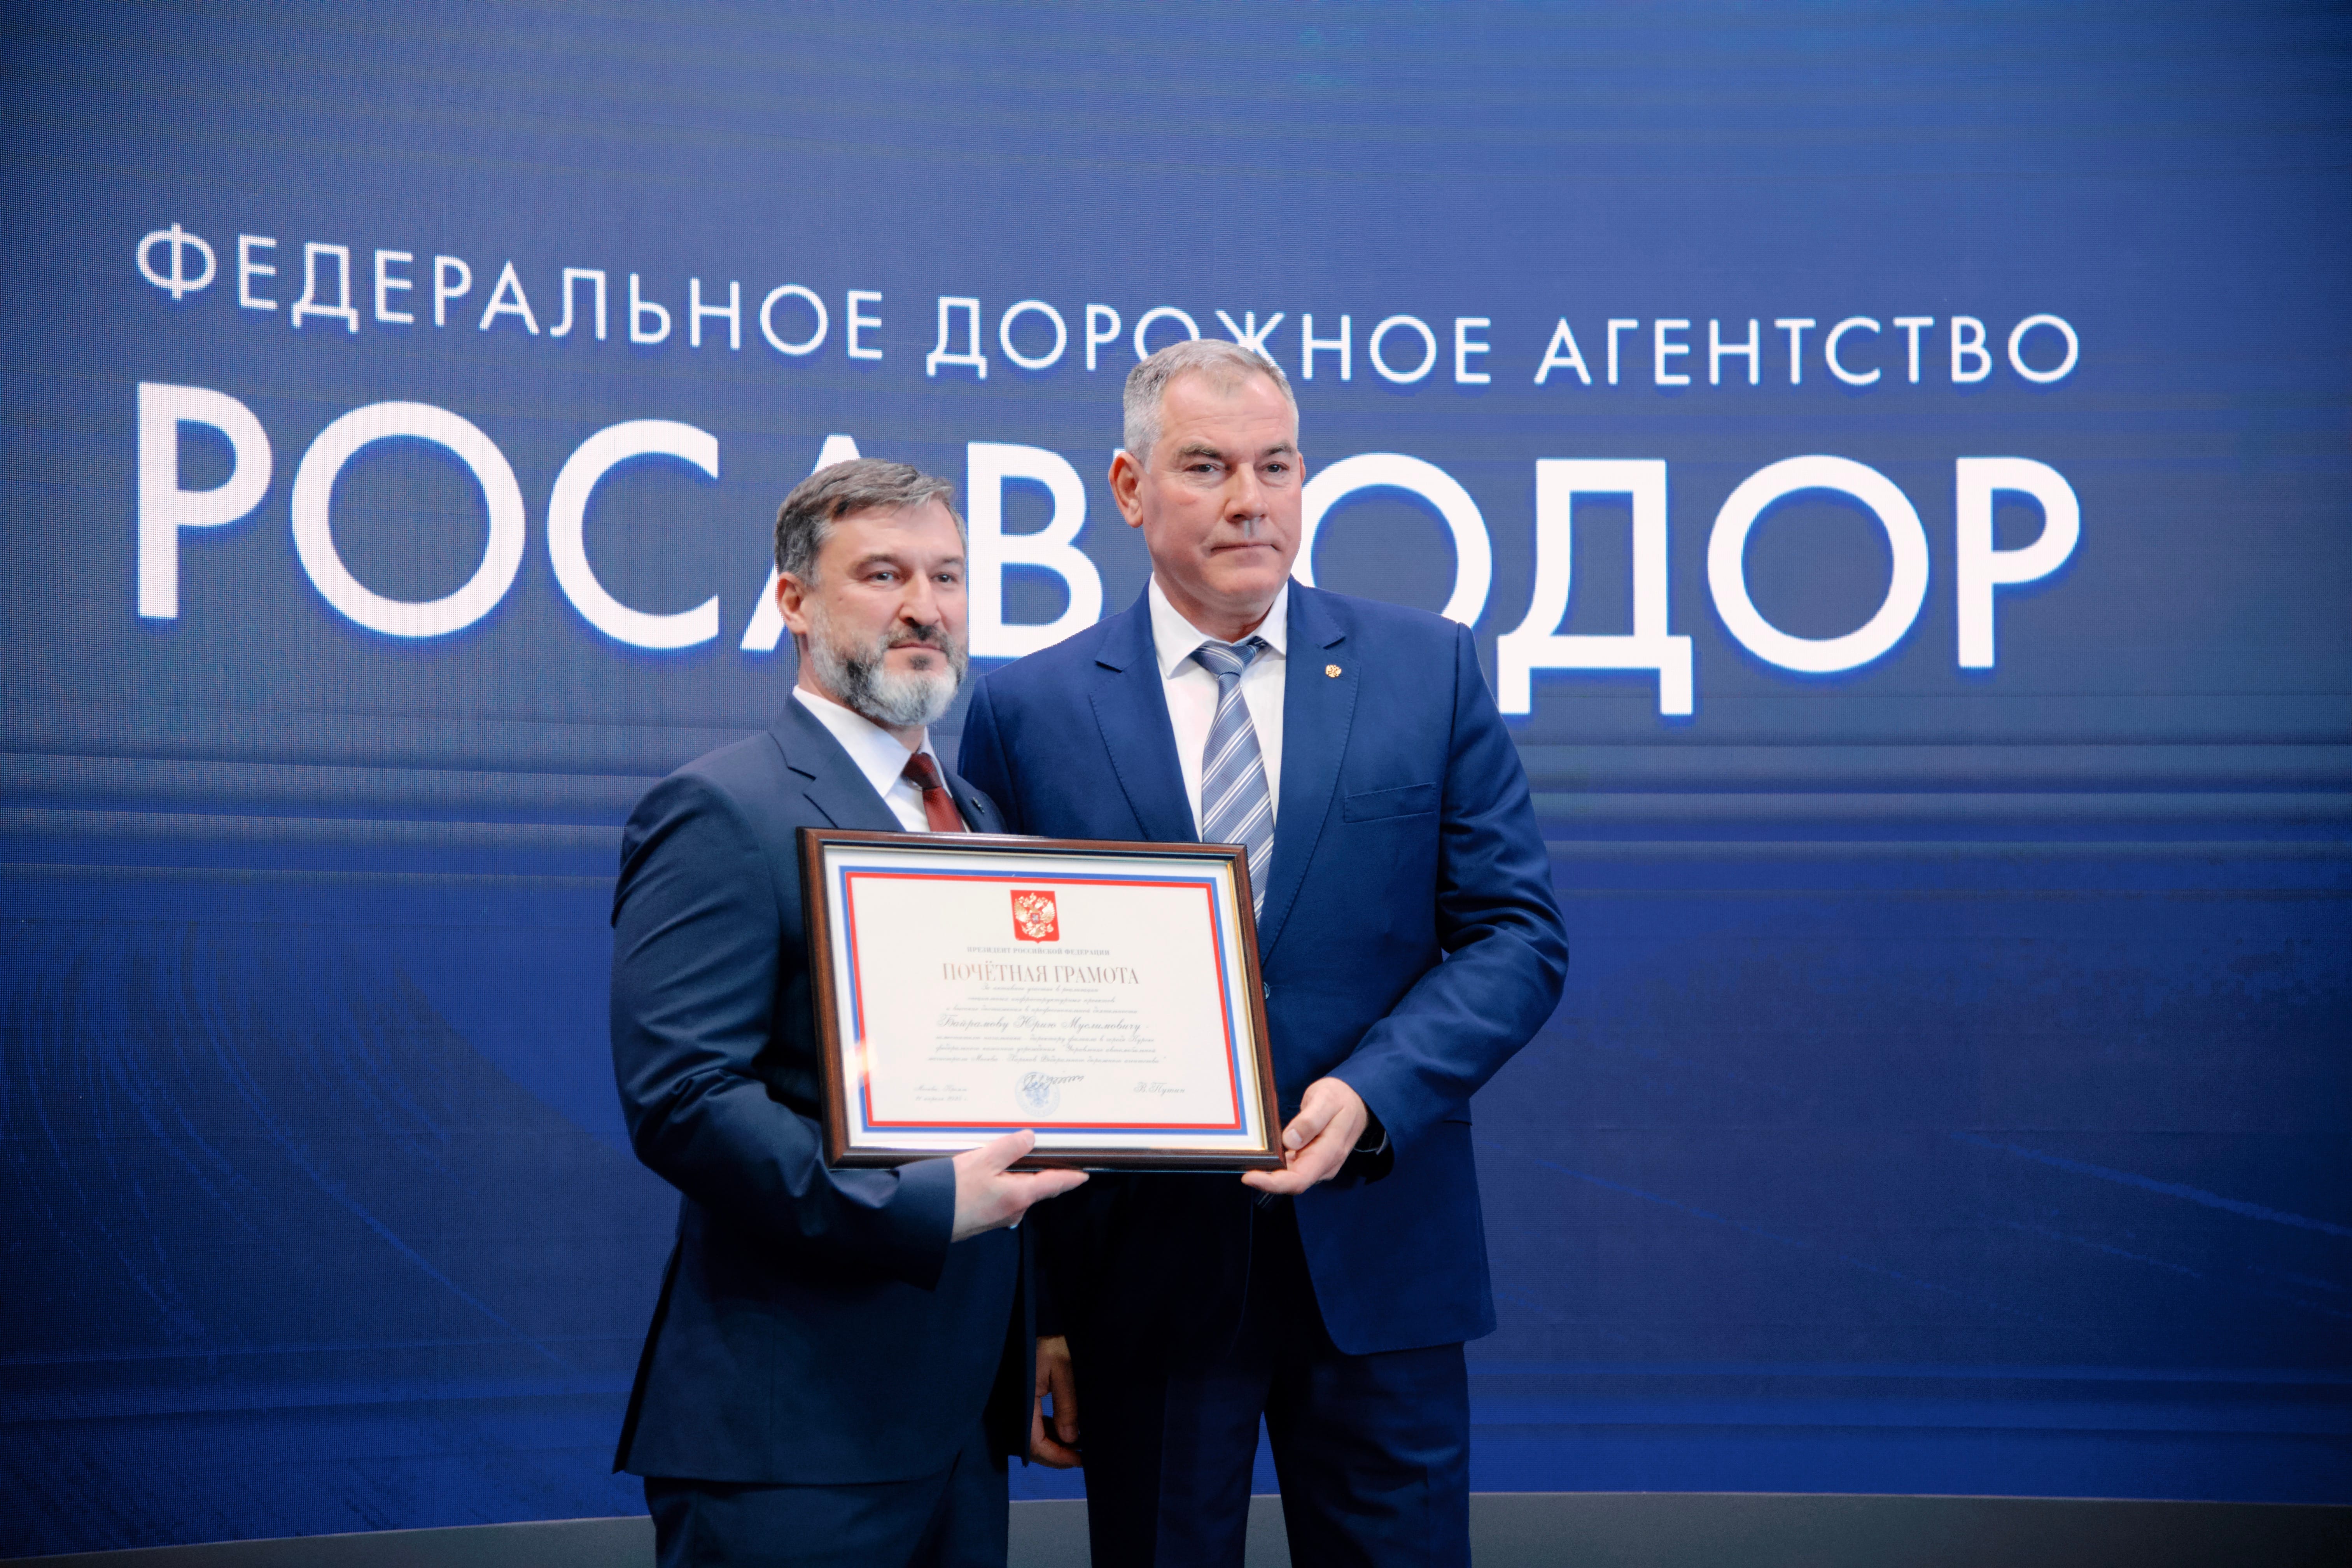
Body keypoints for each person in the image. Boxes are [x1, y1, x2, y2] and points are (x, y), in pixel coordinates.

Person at [957, 340, 1569, 1567]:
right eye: (1207, 467)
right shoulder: (1031, 709)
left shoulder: (1430, 669)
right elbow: (1002, 1016)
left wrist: (1372, 1093)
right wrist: (1044, 1316)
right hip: (1143, 1282)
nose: (1251, 500)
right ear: (1131, 488)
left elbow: (1516, 934)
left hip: (1381, 1255)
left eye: (1276, 465)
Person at [609, 459, 1087, 1568]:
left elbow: (1008, 1102)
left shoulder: (979, 820)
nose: (926, 607)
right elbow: (683, 1100)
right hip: (791, 1432)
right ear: (793, 601)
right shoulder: (721, 809)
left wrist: (1044, 1318)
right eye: (883, 575)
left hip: (962, 1426)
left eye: (948, 577)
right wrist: (918, 1206)